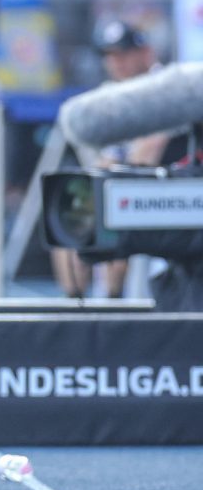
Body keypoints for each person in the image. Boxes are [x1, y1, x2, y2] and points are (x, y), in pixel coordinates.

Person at [52, 19, 184, 299]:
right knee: (67, 214)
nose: (116, 62)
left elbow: (148, 152)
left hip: (167, 195)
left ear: (145, 53)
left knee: (118, 212)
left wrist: (113, 179)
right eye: (110, 55)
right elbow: (102, 160)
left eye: (123, 54)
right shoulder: (108, 96)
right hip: (124, 190)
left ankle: (114, 304)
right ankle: (77, 307)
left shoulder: (167, 87)